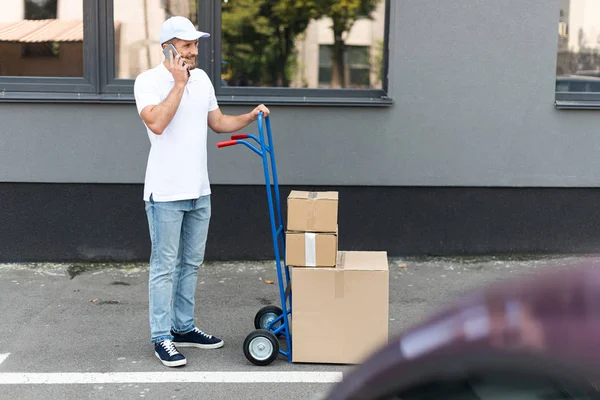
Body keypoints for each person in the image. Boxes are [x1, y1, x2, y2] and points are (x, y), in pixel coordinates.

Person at [133, 16, 270, 367]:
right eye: (187, 45)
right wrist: (178, 83)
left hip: (199, 191)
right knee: (165, 266)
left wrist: (250, 116)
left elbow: (217, 122)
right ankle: (161, 337)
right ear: (168, 48)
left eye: (196, 45)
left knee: (190, 264)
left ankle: (183, 328)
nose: (194, 51)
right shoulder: (147, 82)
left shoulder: (204, 79)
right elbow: (158, 123)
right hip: (165, 193)